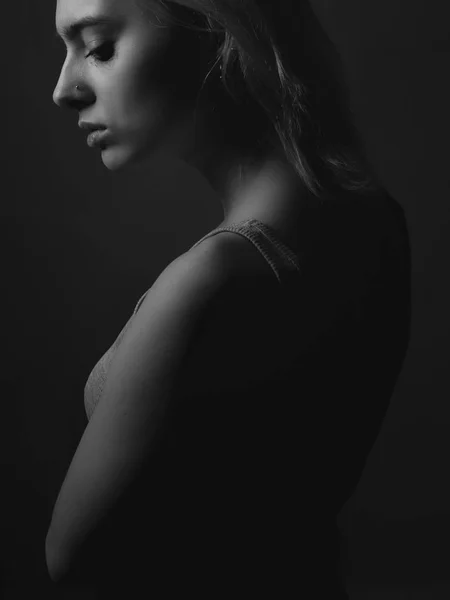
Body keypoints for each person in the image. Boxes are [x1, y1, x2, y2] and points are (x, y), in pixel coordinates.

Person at [46, 0, 411, 597]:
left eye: (100, 47)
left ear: (218, 33)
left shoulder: (211, 280)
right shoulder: (378, 222)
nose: (64, 90)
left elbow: (71, 561)